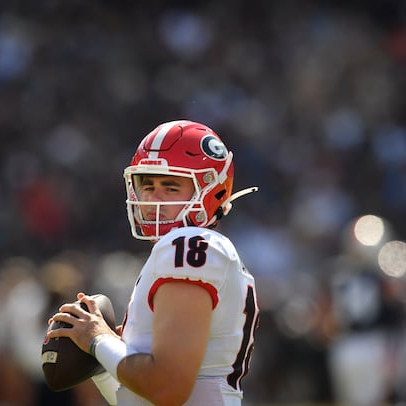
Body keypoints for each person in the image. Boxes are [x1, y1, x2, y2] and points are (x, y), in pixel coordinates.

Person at [46, 120, 260, 405]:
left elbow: (167, 388)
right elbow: (144, 399)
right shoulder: (187, 250)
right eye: (147, 185)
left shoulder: (188, 244)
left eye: (170, 187)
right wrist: (101, 364)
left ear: (212, 190)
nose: (151, 198)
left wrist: (98, 340)